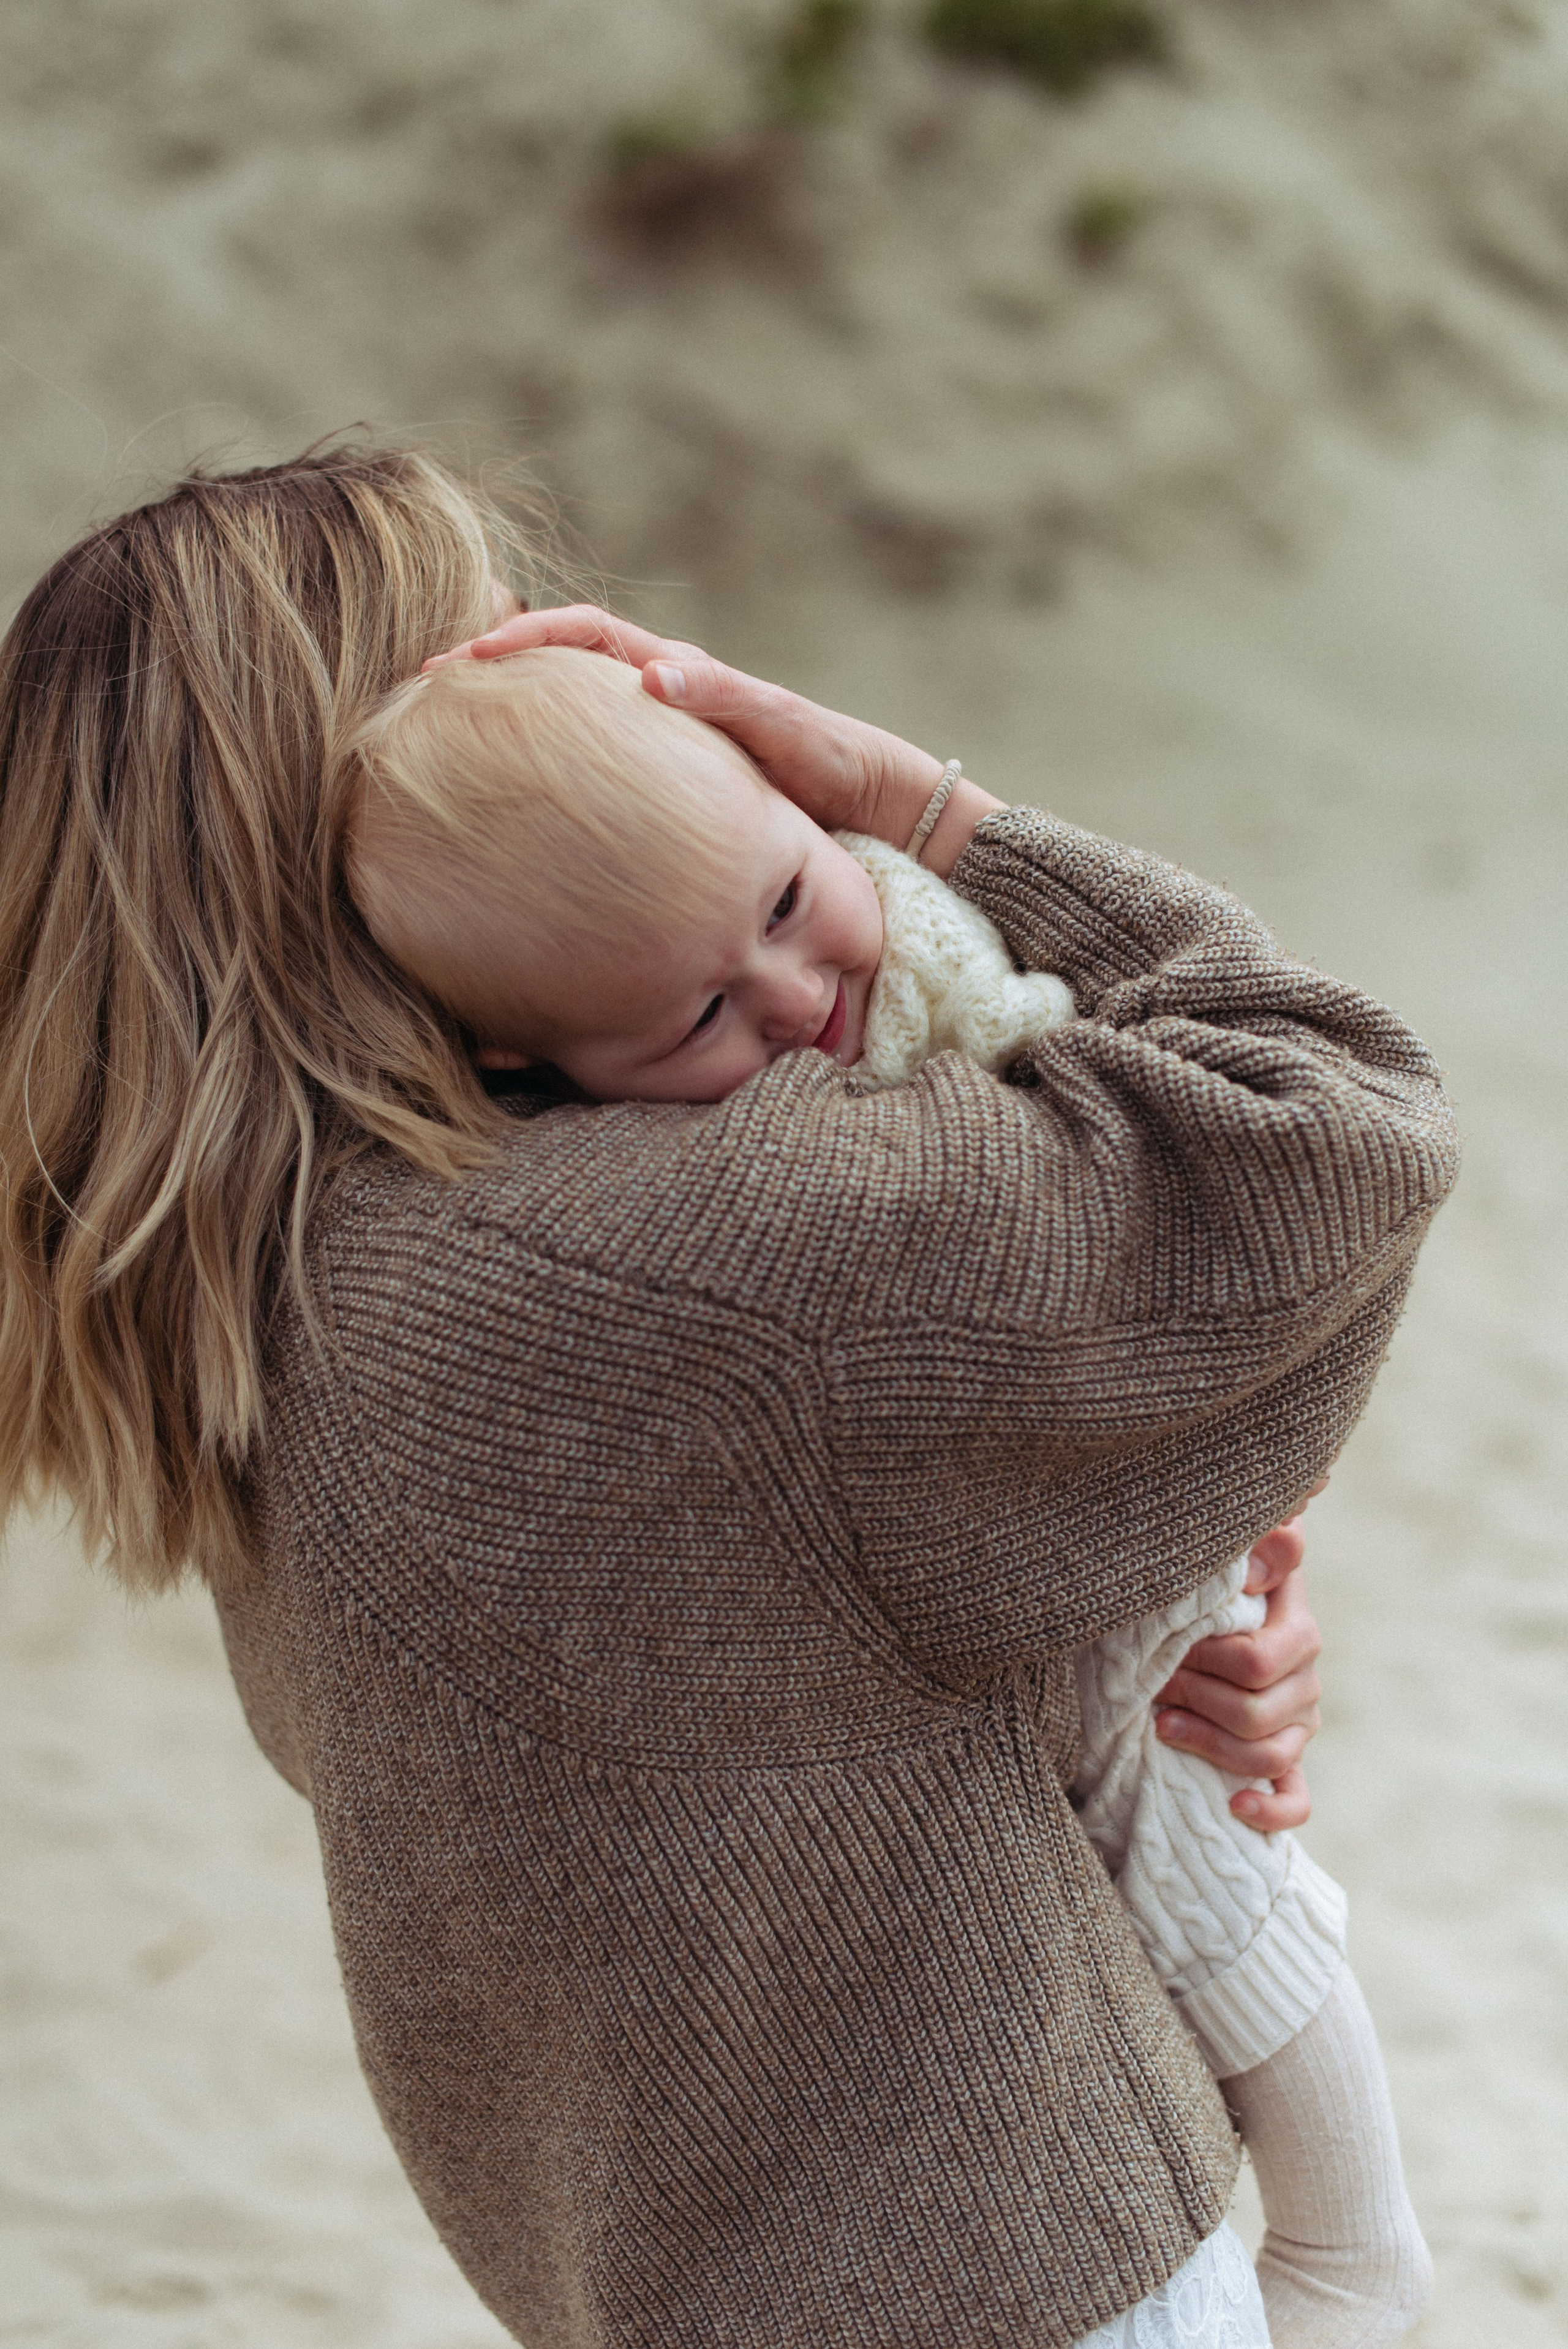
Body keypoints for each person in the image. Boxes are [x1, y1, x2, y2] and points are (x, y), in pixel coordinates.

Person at [0, 445, 1457, 2349]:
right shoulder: (679, 1257)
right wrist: (926, 807)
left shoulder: (264, 1315)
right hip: (1019, 2267)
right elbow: (1336, 1118)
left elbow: (753, 1685)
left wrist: (1114, 1610)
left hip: (656, 2280)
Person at [344, 642, 1436, 2347]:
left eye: (790, 891)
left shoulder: (894, 944)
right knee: (1213, 1854)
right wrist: (933, 804)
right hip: (995, 1542)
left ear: (790, 804)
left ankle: (1358, 2241)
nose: (797, 995)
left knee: (1222, 1843)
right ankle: (1358, 2253)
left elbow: (1125, 1213)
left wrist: (1173, 1516)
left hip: (1038, 1500)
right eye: (701, 1013)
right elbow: (1334, 1114)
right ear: (520, 1063)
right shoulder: (717, 1212)